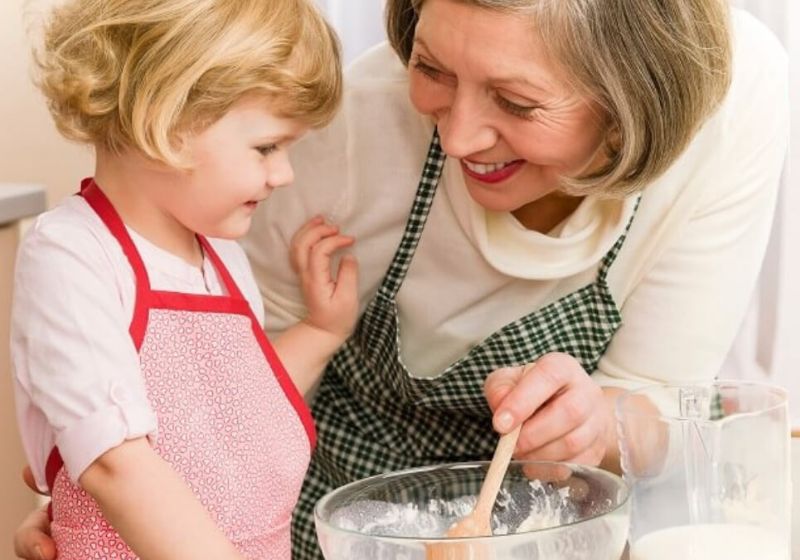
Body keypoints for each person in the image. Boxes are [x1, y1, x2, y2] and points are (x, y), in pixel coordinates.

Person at [14, 0, 790, 559]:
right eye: (430, 69)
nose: (453, 136)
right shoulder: (92, 248)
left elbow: (234, 403)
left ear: (633, 106)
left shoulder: (741, 110)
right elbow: (139, 454)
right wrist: (91, 498)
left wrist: (603, 427)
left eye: (516, 102)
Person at [9, 1, 357, 559]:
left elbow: (229, 419)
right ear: (164, 120)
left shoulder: (221, 256)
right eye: (268, 146)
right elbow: (117, 467)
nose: (284, 174)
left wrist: (322, 330)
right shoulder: (73, 257)